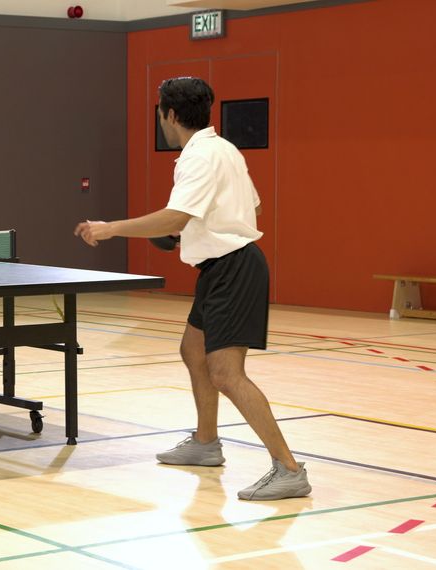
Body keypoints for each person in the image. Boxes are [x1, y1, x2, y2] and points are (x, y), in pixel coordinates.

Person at [74, 77, 310, 501]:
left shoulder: (199, 156)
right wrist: (201, 228)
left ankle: (288, 469)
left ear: (169, 115)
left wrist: (110, 229)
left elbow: (174, 217)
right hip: (223, 265)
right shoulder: (225, 149)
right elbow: (250, 204)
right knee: (192, 350)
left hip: (233, 269)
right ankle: (205, 444)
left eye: (160, 112)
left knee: (226, 373)